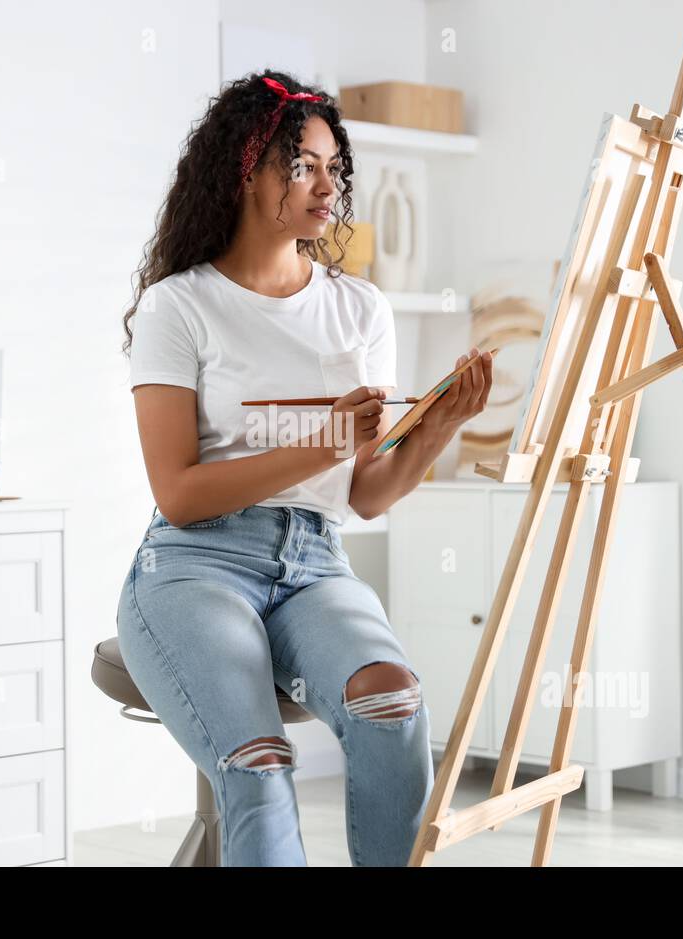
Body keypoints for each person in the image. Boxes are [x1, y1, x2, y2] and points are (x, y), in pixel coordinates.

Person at [116, 69, 493, 866]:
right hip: (194, 564)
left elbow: (364, 493)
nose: (331, 184)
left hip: (314, 560)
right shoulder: (177, 307)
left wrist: (438, 429)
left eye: (335, 166)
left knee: (392, 699)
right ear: (249, 168)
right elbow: (178, 494)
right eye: (307, 165)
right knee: (257, 764)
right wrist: (319, 441)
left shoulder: (360, 310)